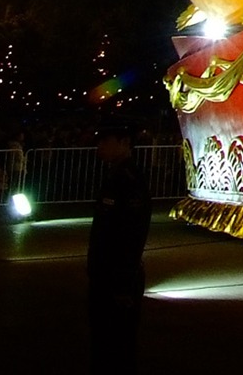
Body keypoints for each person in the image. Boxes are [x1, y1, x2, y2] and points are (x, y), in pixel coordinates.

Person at [87, 119, 152, 373]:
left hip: (117, 276)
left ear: (125, 143)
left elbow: (131, 234)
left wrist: (124, 282)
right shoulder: (115, 175)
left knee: (117, 342)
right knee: (103, 339)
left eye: (106, 140)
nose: (100, 146)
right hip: (104, 272)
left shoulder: (129, 180)